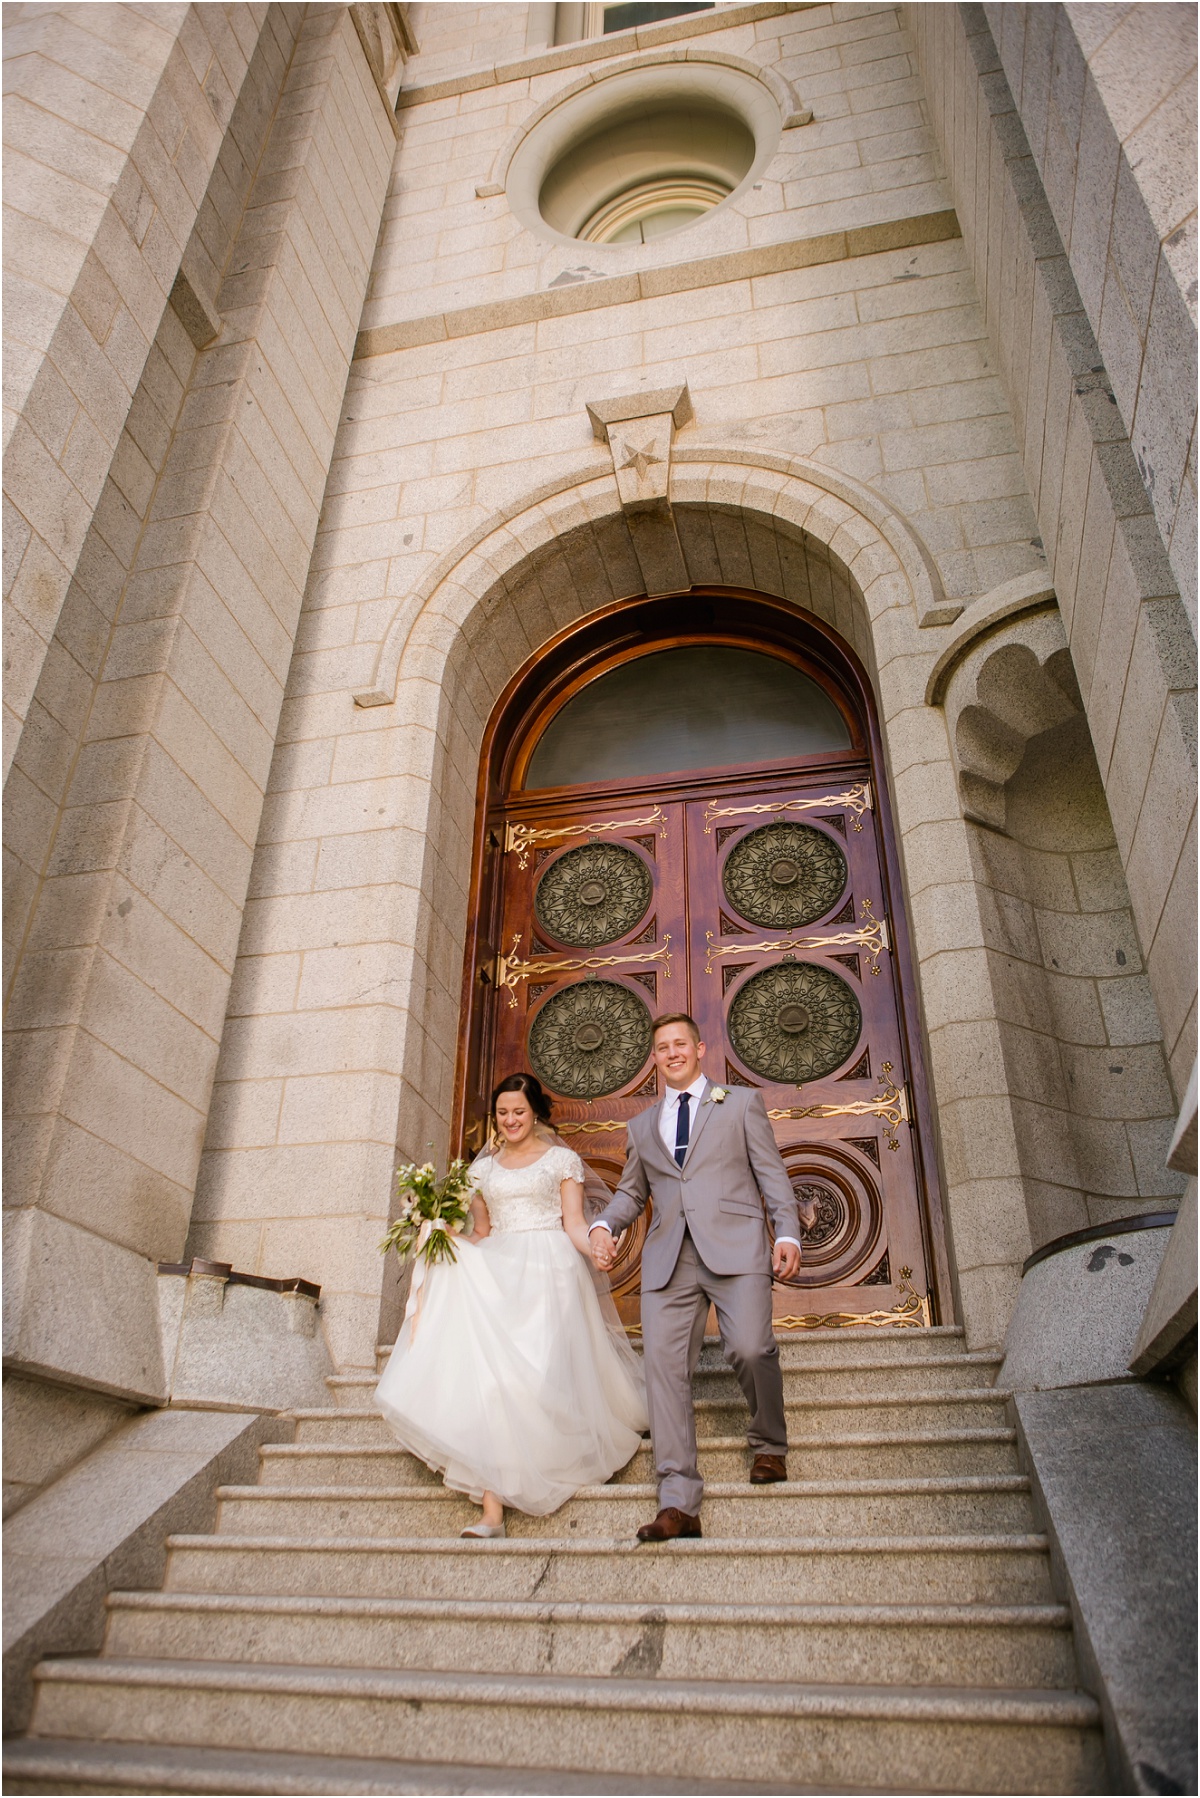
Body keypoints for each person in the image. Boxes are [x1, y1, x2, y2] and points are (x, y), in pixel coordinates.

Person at [374, 1072, 648, 1537]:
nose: (510, 1120)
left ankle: (544, 1458)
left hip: (551, 1271)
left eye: (518, 1112)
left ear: (535, 1112)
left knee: (535, 1378)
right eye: (502, 1113)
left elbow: (575, 1223)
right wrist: (442, 1234)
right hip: (500, 1269)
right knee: (496, 1384)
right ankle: (492, 1512)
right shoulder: (481, 1170)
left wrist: (597, 1247)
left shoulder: (561, 1160)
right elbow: (482, 1232)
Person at [589, 1013, 803, 1541]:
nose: (671, 1053)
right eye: (661, 1047)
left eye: (679, 1043)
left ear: (700, 1048)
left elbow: (771, 1174)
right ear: (655, 1058)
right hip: (669, 1260)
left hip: (736, 1247)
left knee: (752, 1349)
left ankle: (770, 1446)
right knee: (662, 1370)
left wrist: (787, 1232)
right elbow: (632, 1192)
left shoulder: (741, 1104)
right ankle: (678, 1500)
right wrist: (603, 1224)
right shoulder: (641, 1126)